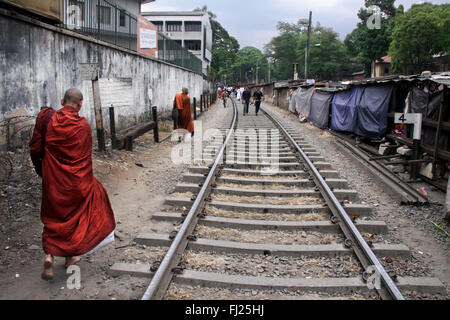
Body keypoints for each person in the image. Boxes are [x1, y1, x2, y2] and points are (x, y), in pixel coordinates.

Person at [29, 88, 116, 281]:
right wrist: (84, 181)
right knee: (77, 215)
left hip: (53, 180)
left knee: (53, 217)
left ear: (62, 101)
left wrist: (42, 171)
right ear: (80, 104)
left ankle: (49, 256)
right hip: (77, 182)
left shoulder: (47, 119)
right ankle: (70, 257)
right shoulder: (83, 126)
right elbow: (85, 159)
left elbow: (35, 148)